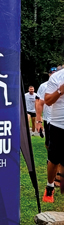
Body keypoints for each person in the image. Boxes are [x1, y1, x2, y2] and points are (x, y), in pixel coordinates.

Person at [43, 66, 64, 202]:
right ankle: (50, 186)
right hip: (58, 125)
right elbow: (48, 101)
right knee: (54, 159)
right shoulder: (56, 77)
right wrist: (60, 91)